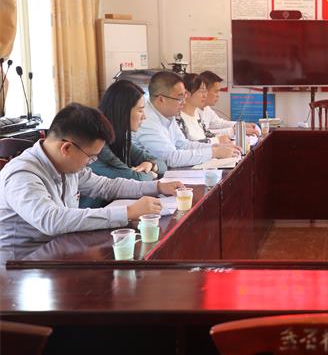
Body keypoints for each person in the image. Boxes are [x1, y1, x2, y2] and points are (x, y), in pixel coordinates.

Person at [0, 103, 183, 261]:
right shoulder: (22, 174)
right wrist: (128, 212)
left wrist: (157, 186)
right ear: (66, 148)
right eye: (91, 156)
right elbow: (52, 220)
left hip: (60, 252)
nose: (91, 162)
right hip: (21, 269)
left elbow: (107, 186)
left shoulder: (66, 165)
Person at [79, 80, 167, 207]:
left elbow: (162, 164)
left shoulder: (121, 139)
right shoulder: (96, 143)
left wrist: (151, 164)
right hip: (94, 213)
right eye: (140, 110)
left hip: (114, 208)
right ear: (123, 111)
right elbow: (135, 179)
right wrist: (151, 174)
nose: (144, 117)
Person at [133, 71, 239, 168]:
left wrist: (215, 147)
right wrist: (214, 153)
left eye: (184, 96)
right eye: (180, 98)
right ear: (161, 99)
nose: (184, 102)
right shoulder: (146, 120)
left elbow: (183, 144)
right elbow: (170, 158)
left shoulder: (168, 114)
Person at [197, 71, 260, 137]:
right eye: (216, 91)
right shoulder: (194, 111)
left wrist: (241, 125)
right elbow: (203, 134)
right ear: (204, 91)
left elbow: (219, 123)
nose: (218, 95)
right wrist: (235, 130)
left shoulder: (206, 108)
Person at [176, 73, 230, 144]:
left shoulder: (196, 114)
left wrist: (222, 138)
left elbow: (206, 133)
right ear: (187, 94)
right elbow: (185, 145)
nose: (205, 95)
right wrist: (217, 140)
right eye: (201, 91)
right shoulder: (178, 119)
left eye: (205, 91)